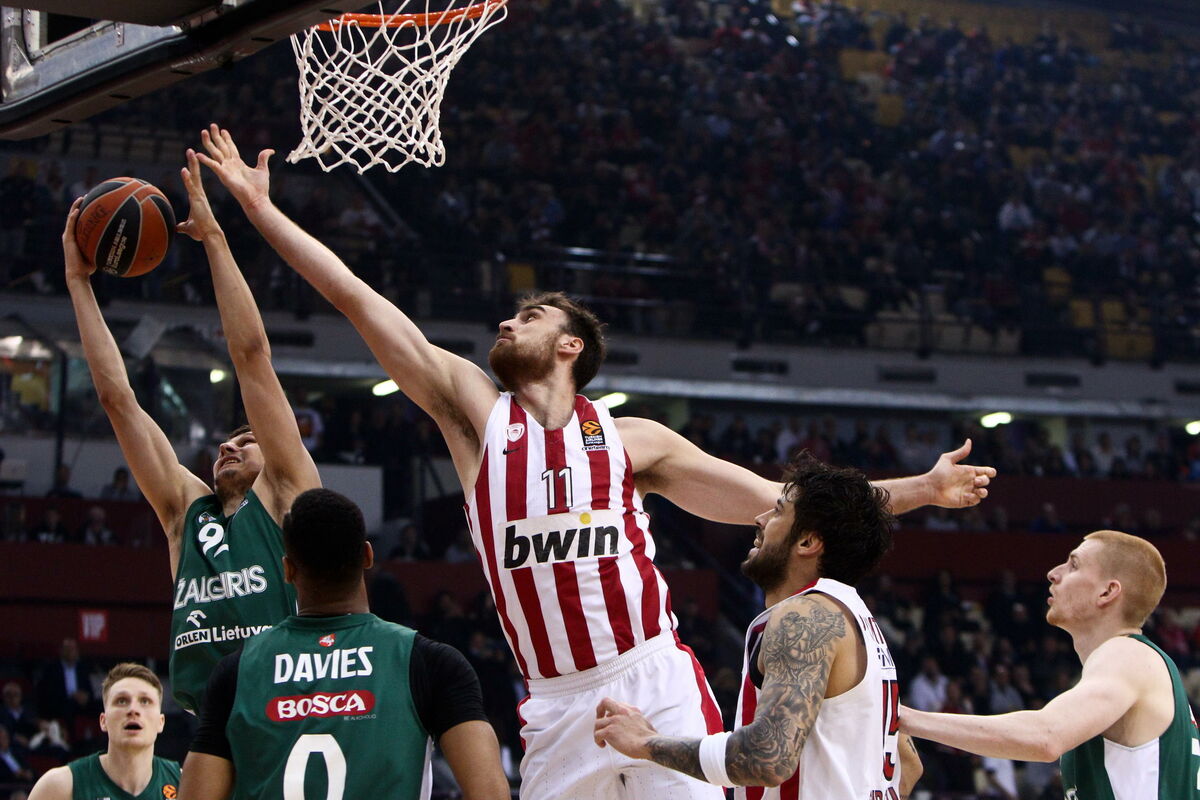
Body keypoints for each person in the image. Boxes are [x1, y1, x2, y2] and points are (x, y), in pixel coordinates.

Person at [196, 123, 993, 799]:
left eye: (529, 316)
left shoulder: (632, 440)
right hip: (554, 702)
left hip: (652, 677)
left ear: (570, 346)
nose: (507, 322)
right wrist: (262, 211)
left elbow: (782, 502)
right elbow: (356, 298)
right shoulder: (475, 417)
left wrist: (922, 488)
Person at [61, 149, 320, 713]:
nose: (227, 444)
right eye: (228, 440)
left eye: (245, 441)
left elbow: (251, 356)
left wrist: (214, 239)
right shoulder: (185, 513)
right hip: (206, 725)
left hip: (284, 707)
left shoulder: (286, 495)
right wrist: (79, 283)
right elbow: (118, 400)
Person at [594, 454, 923, 798]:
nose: (760, 518)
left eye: (778, 511)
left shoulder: (805, 616)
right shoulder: (859, 623)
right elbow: (909, 767)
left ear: (807, 543)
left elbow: (768, 758)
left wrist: (647, 743)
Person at [180, 488, 509, 800]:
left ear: (288, 569)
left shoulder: (237, 670)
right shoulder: (429, 661)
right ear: (367, 555)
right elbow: (489, 792)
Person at [901, 530, 1200, 799]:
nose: (1053, 573)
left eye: (1074, 565)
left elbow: (1046, 736)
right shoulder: (1134, 665)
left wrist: (901, 717)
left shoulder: (1127, 655)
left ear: (1107, 592)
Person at [25, 663, 179, 800]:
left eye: (145, 701)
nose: (133, 709)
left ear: (161, 722)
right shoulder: (59, 785)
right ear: (103, 721)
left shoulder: (183, 783)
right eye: (122, 701)